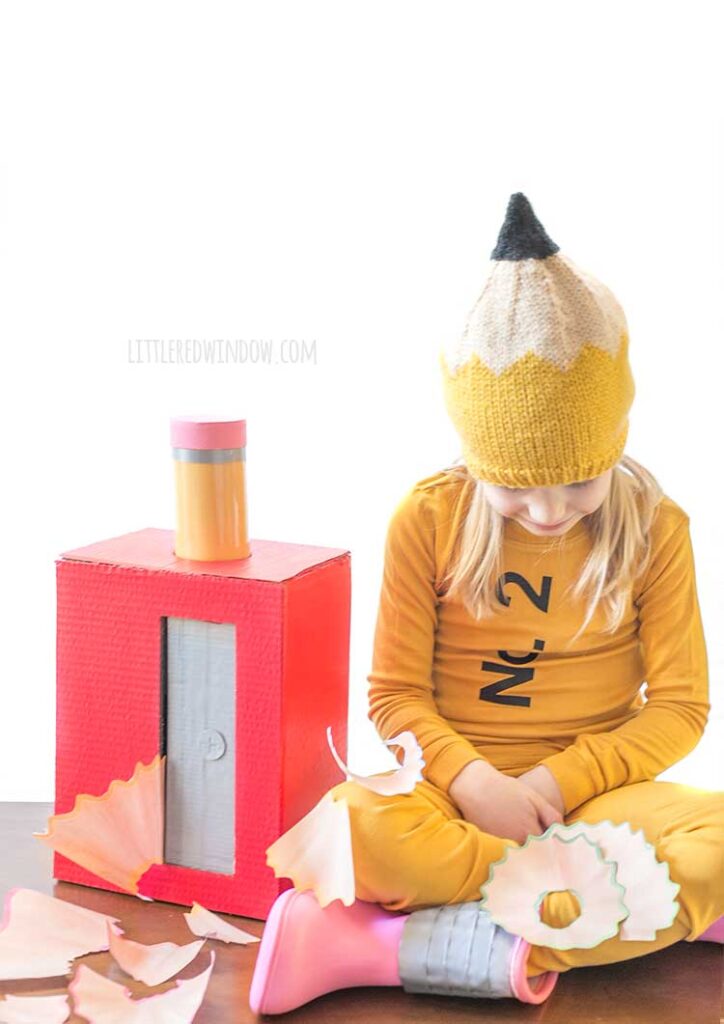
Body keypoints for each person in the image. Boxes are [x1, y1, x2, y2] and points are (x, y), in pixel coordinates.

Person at [249, 193, 724, 1015]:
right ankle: (638, 912)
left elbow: (681, 708)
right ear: (474, 463)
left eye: (578, 481)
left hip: (593, 802)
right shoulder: (428, 518)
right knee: (351, 830)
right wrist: (474, 783)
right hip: (453, 802)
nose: (547, 513)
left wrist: (558, 777)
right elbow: (394, 698)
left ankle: (384, 951)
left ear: (613, 444)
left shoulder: (655, 527)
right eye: (514, 488)